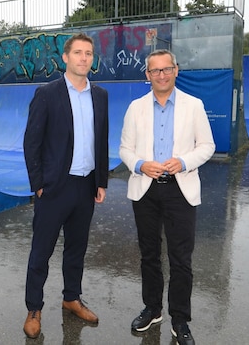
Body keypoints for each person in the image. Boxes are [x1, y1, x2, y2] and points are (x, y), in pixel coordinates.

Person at [119, 49, 215, 345]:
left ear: (176, 70)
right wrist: (140, 165)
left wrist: (184, 162)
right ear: (147, 75)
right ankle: (152, 308)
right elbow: (125, 149)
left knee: (180, 258)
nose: (161, 75)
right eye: (155, 71)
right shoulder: (135, 107)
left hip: (180, 189)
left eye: (166, 69)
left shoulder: (194, 105)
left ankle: (180, 319)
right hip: (145, 188)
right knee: (149, 254)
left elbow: (207, 145)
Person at [22, 32, 109, 339]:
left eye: (89, 53)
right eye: (78, 53)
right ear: (66, 58)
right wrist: (39, 185)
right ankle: (34, 308)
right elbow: (31, 142)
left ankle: (71, 297)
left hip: (85, 187)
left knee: (77, 248)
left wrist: (101, 181)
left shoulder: (100, 95)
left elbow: (101, 140)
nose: (84, 58)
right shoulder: (47, 93)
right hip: (54, 188)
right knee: (41, 252)